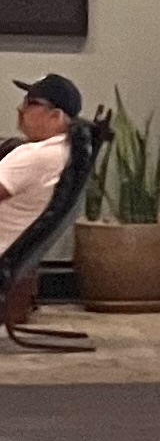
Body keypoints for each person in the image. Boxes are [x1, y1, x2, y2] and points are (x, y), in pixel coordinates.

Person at [0, 75, 82, 334]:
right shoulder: (62, 154)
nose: (20, 109)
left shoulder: (33, 156)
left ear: (55, 116)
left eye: (31, 103)